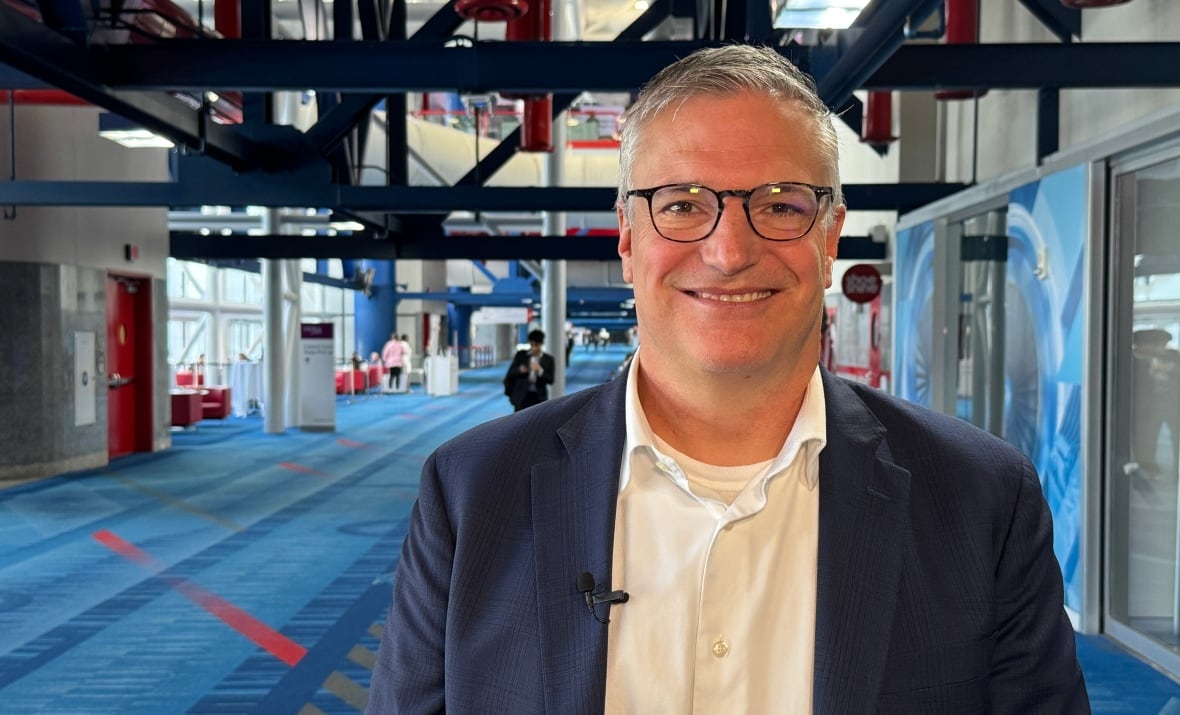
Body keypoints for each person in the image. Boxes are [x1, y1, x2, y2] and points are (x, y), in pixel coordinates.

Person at [367, 45, 1089, 713]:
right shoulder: (473, 493)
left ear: (831, 234)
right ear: (626, 236)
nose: (728, 250)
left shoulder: (980, 500)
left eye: (779, 205)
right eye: (682, 204)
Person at [502, 329, 556, 412]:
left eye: (536, 345)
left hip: (539, 397)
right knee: (519, 422)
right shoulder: (521, 355)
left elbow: (551, 380)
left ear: (542, 344)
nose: (533, 348)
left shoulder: (548, 359)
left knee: (538, 422)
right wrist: (519, 370)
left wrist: (540, 370)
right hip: (522, 396)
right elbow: (510, 373)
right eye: (532, 344)